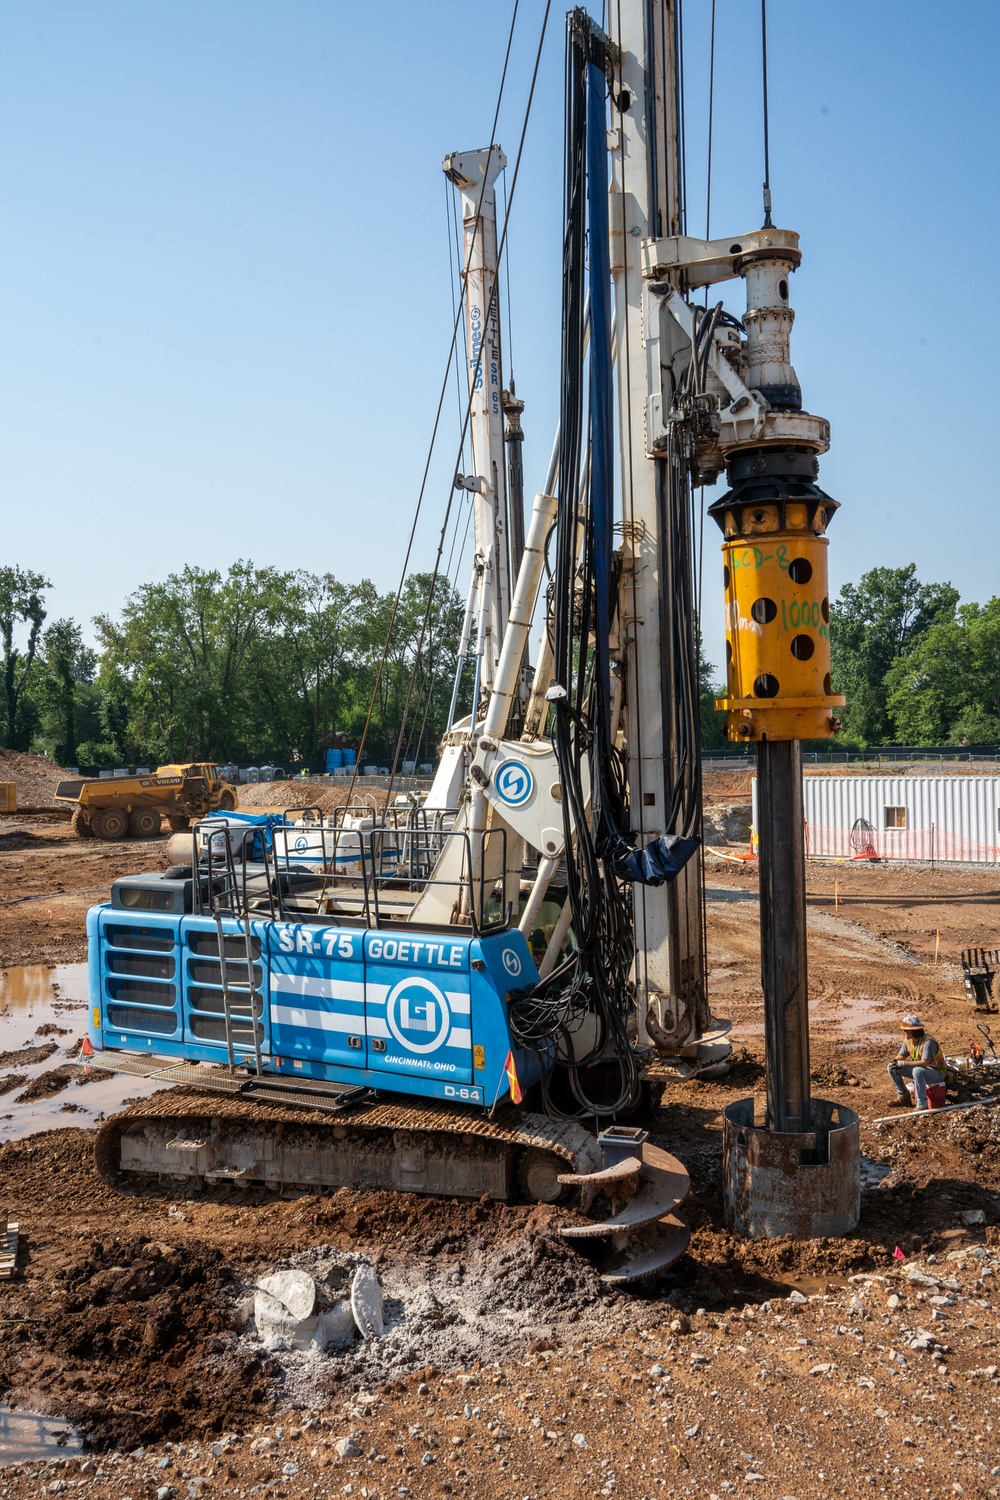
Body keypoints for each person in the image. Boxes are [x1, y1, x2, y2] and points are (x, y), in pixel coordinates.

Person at [888, 1015, 946, 1110]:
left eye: (906, 1030)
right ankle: (904, 1098)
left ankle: (921, 1104)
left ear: (913, 1031)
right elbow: (902, 1055)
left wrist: (903, 1064)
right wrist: (894, 1061)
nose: (904, 1032)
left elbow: (924, 1063)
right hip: (923, 1071)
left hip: (937, 1073)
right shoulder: (908, 1040)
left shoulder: (928, 1042)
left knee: (917, 1071)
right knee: (892, 1068)